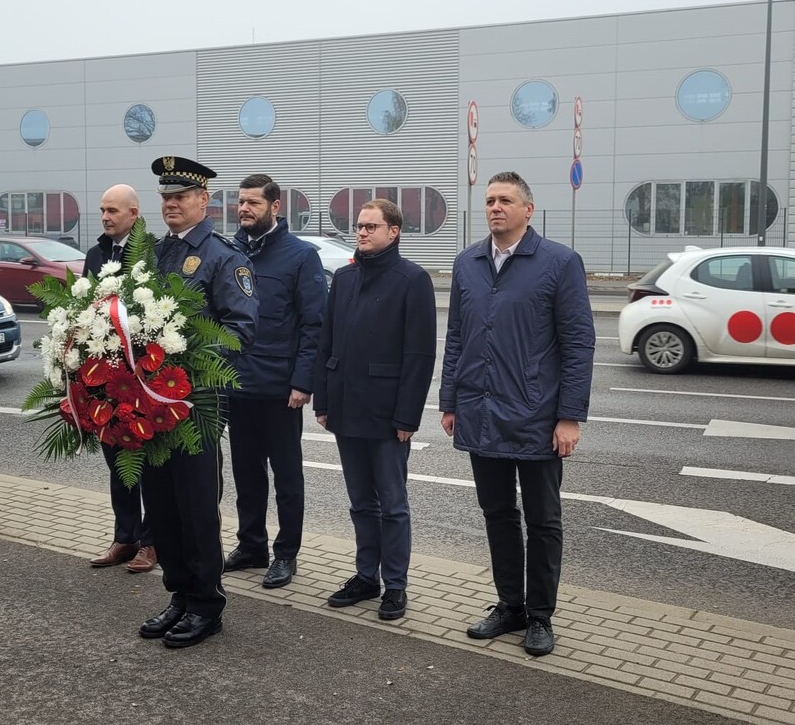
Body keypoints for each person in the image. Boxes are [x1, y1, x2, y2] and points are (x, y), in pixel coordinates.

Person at [438, 171, 595, 657]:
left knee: (543, 520)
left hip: (537, 416)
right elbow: (458, 338)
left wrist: (569, 416)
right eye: (489, 201)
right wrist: (449, 400)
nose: (495, 207)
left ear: (528, 209)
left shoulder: (559, 262)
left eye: (505, 200)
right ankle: (510, 606)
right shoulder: (468, 263)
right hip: (481, 411)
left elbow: (578, 342)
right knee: (497, 513)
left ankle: (541, 616)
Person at [137, 155, 259, 649]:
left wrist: (180, 363)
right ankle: (179, 593)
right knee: (161, 506)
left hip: (195, 406)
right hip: (148, 405)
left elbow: (242, 329)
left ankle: (206, 604)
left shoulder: (223, 257)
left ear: (203, 200)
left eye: (180, 196)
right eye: (165, 196)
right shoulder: (153, 254)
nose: (170, 203)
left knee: (196, 507)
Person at [313, 199, 436, 621]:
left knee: (393, 505)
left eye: (370, 226)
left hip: (387, 416)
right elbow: (326, 343)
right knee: (360, 504)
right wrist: (323, 401)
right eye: (359, 226)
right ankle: (366, 577)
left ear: (394, 231)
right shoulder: (344, 279)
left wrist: (407, 418)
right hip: (346, 411)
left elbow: (419, 355)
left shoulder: (412, 280)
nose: (361, 232)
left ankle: (395, 587)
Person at [224, 174, 327, 589]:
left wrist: (302, 383)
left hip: (280, 389)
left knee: (286, 476)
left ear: (275, 207)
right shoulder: (229, 253)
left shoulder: (300, 257)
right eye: (241, 203)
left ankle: (286, 554)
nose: (245, 209)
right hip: (235, 384)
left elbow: (314, 325)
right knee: (246, 473)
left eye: (253, 203)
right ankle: (251, 545)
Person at [83, 184, 157, 574]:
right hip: (106, 376)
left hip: (142, 376)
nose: (106, 217)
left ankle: (151, 542)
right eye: (102, 210)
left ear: (134, 212)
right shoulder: (96, 254)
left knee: (146, 464)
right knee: (117, 461)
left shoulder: (151, 253)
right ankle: (124, 538)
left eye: (113, 210)